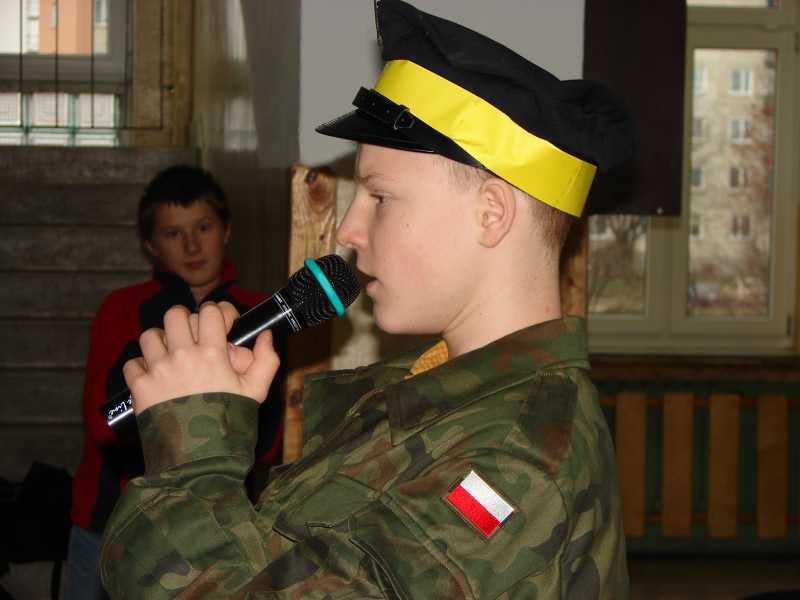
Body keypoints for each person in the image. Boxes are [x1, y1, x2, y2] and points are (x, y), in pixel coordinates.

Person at [100, 1, 635, 598]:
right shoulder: (429, 396)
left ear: (491, 214)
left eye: (380, 197)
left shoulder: (514, 462)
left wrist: (194, 459)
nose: (349, 230)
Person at [66, 165, 283, 600]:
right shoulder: (122, 308)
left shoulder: (260, 313)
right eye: (172, 233)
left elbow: (269, 438)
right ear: (150, 245)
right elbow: (102, 425)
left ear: (226, 231)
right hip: (109, 519)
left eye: (203, 227)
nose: (191, 245)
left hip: (217, 520)